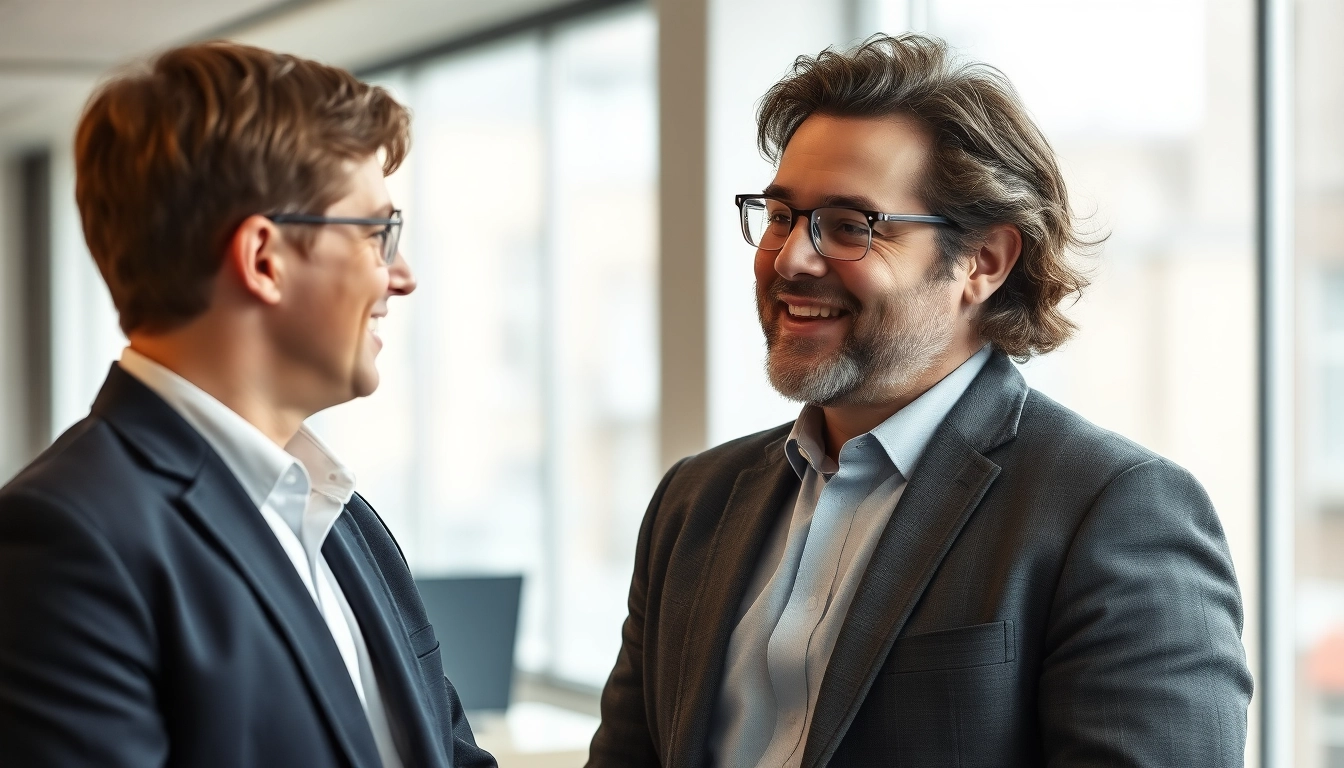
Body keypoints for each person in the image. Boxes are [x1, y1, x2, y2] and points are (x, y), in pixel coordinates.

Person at [588, 34, 1252, 767]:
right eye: (780, 216)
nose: (791, 259)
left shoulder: (1114, 511)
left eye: (850, 227)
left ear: (984, 262)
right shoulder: (694, 502)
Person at [0, 41, 494, 768]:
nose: (403, 276)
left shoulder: (343, 518)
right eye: (378, 232)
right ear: (264, 258)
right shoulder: (66, 540)